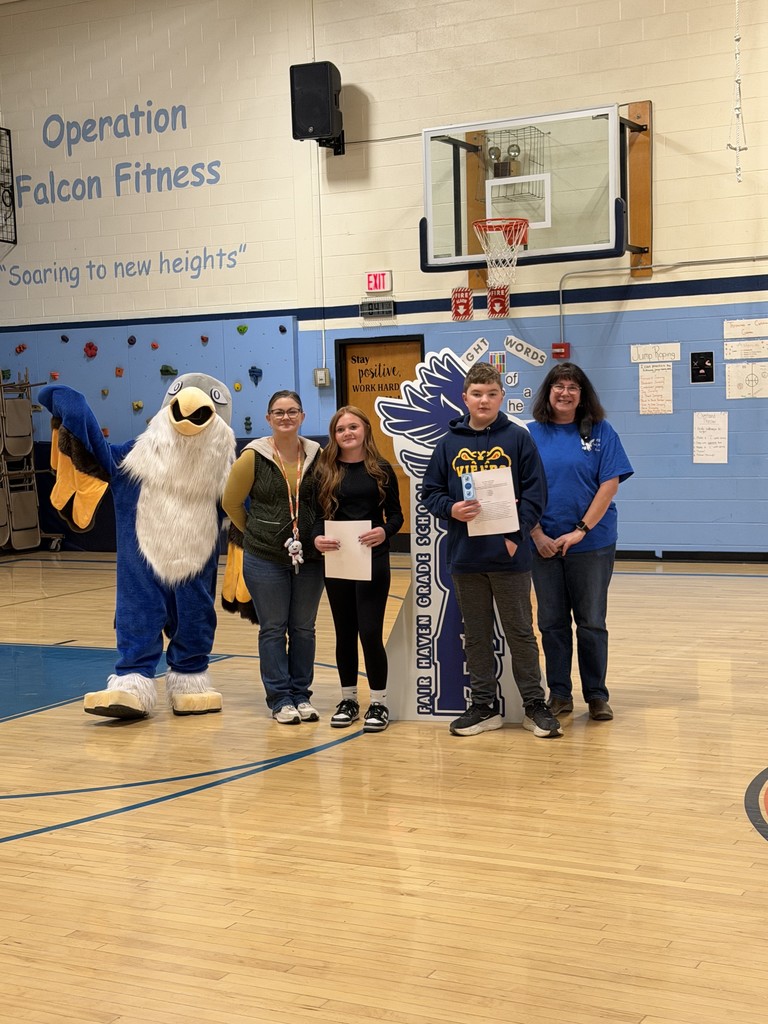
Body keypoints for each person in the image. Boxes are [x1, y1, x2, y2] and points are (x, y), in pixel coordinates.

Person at [421, 362, 562, 739]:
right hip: (466, 557)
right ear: (464, 397)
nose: (484, 400)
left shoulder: (518, 438)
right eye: (477, 394)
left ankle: (535, 704)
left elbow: (536, 493)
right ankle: (484, 706)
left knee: (520, 633)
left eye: (492, 394)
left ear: (502, 397)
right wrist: (450, 507)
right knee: (477, 634)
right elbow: (430, 492)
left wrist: (516, 534)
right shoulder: (448, 443)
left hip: (510, 557)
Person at [528, 363, 634, 722]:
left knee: (590, 622)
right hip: (543, 545)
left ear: (582, 394)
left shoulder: (602, 432)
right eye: (558, 386)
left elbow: (610, 484)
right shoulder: (530, 435)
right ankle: (559, 693)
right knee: (552, 623)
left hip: (591, 543)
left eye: (573, 387)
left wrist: (581, 530)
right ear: (548, 393)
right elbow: (517, 489)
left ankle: (597, 695)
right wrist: (537, 534)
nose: (565, 393)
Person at [222, 390, 324, 725]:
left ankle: (301, 695)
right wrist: (255, 532)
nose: (285, 417)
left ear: (302, 417)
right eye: (278, 412)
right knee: (273, 628)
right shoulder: (253, 457)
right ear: (268, 419)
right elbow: (231, 503)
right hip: (264, 558)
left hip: (309, 558)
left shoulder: (316, 455)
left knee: (304, 628)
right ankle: (280, 699)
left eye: (292, 411)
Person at [313, 406, 403, 733]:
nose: (347, 433)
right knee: (344, 633)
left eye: (353, 426)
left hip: (373, 559)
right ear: (334, 436)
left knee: (369, 632)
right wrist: (316, 539)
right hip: (337, 559)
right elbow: (312, 517)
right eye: (340, 429)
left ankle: (378, 702)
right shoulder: (324, 469)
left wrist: (384, 531)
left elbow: (396, 516)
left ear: (365, 429)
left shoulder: (380, 469)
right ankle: (348, 699)